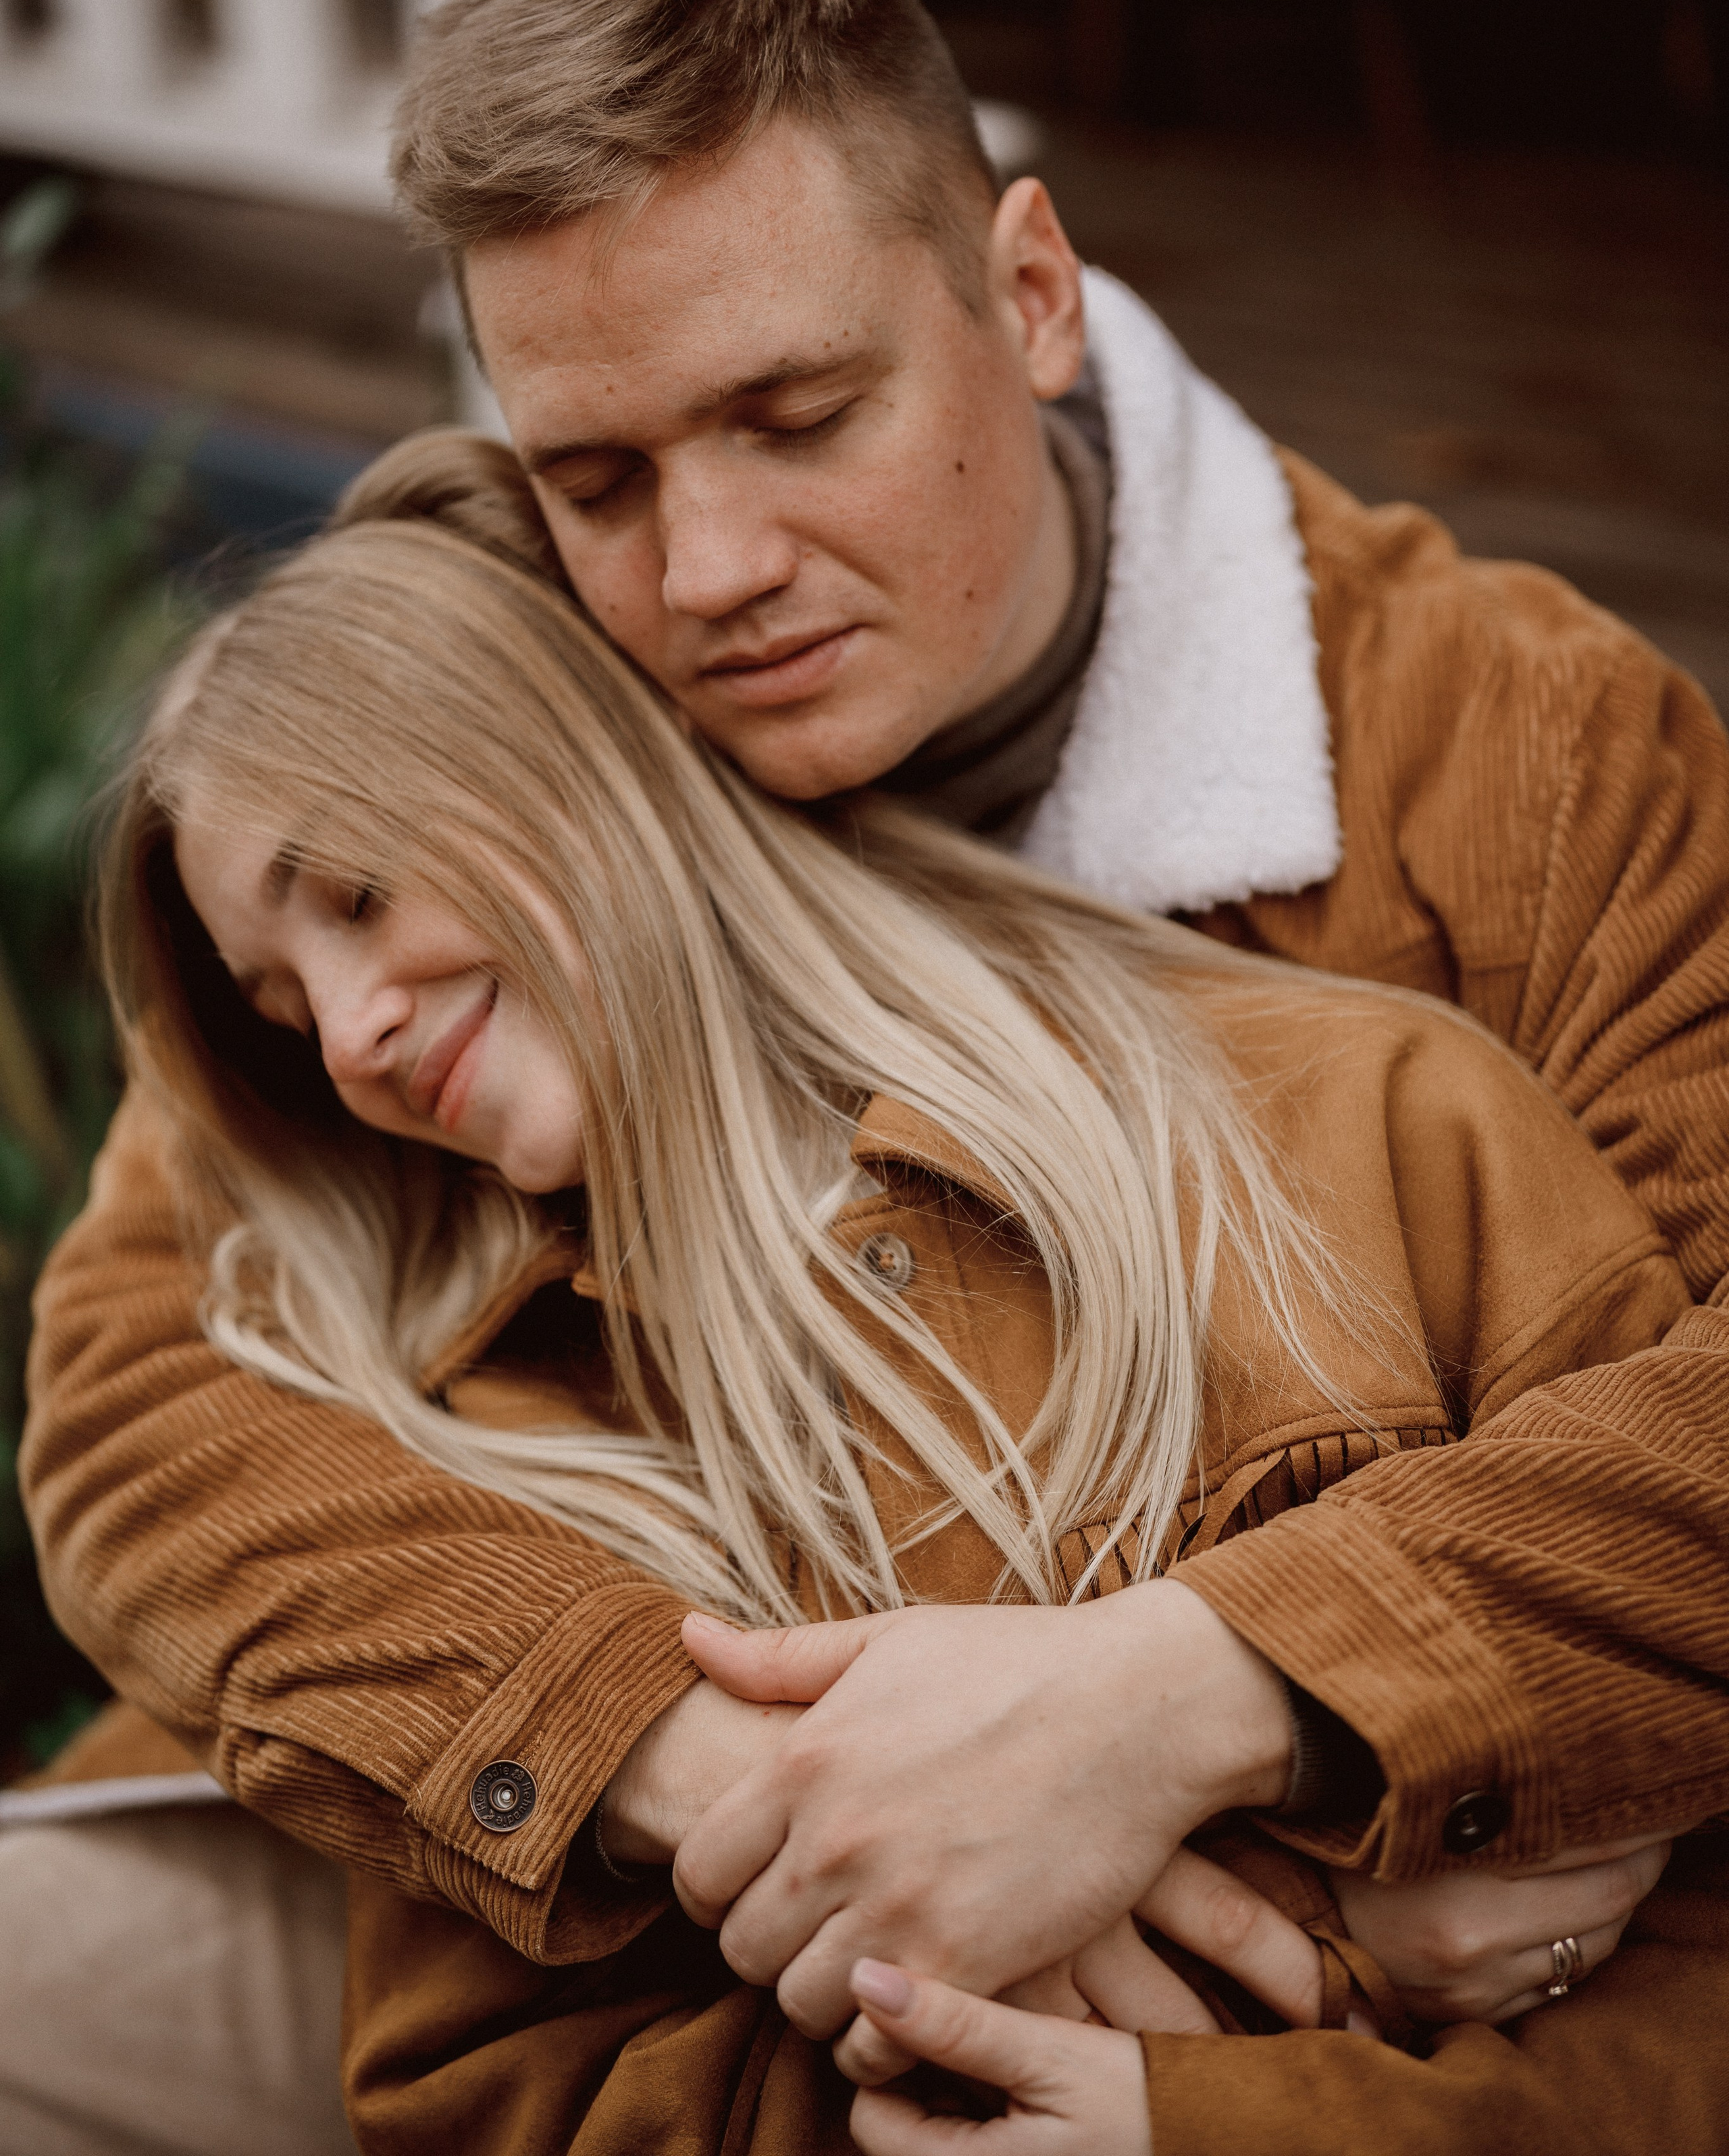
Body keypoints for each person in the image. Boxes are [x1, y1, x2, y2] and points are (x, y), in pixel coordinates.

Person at [19, 0, 1729, 2128]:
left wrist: (1201, 1697)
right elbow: (144, 1396)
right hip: (544, 1874)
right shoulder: (521, 666)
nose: (706, 572)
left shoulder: (1509, 752)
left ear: (1027, 294)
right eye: (600, 473)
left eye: (800, 415)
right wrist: (700, 1764)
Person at [91, 509, 1729, 2154]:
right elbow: (490, 2100)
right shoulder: (495, 1444)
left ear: (580, 765)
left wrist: (1231, 2103)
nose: (354, 1033)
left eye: (361, 898)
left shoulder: (1360, 1118)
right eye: (285, 1007)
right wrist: (933, 2061)